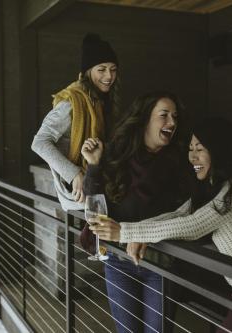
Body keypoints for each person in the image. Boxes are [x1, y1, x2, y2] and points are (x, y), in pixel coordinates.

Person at [90, 117, 232, 332]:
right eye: (190, 149)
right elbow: (179, 215)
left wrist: (125, 232)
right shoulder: (217, 186)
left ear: (220, 149)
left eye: (200, 149)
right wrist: (136, 233)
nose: (193, 157)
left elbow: (195, 225)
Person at [81, 92, 191, 333]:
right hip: (118, 262)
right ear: (145, 120)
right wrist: (94, 165)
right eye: (164, 116)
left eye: (175, 117)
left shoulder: (179, 162)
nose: (172, 123)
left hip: (160, 264)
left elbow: (183, 214)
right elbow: (94, 202)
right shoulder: (117, 155)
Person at [31, 33, 121, 211]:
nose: (109, 76)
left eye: (113, 69)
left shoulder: (99, 101)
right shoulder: (71, 103)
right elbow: (39, 142)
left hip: (94, 185)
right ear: (88, 72)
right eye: (101, 69)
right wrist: (74, 174)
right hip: (76, 192)